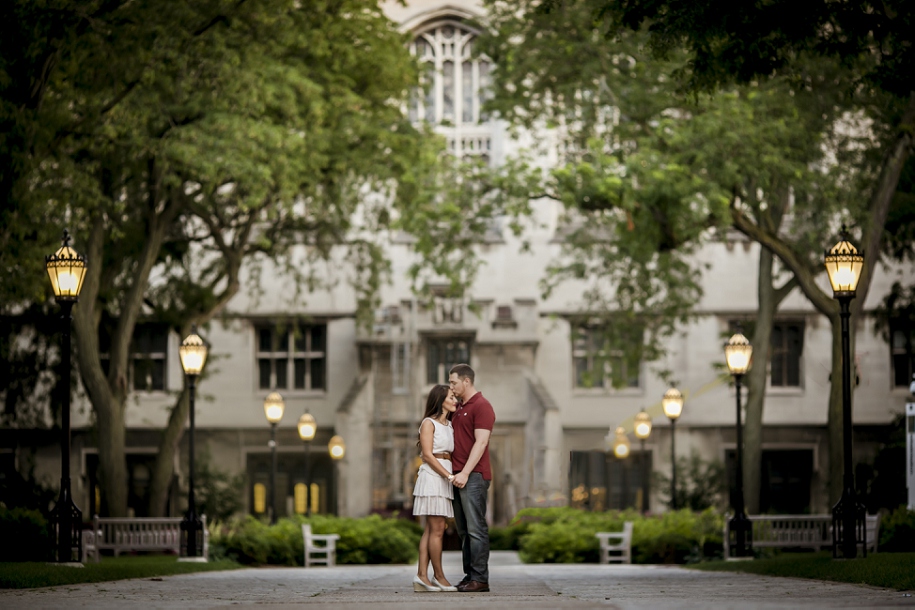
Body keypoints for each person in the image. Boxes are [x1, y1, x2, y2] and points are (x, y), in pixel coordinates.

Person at [448, 363, 495, 593]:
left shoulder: (482, 406)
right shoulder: (458, 408)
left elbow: (481, 442)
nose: (451, 386)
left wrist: (465, 472)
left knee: (476, 529)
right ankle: (469, 577)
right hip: (457, 476)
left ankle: (480, 579)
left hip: (473, 476)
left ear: (466, 381)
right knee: (464, 531)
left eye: (453, 382)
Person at [412, 384, 459, 592]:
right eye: (451, 397)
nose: (455, 400)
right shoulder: (428, 423)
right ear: (441, 400)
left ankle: (422, 576)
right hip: (433, 478)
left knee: (432, 529)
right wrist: (448, 475)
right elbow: (428, 455)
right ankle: (438, 576)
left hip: (444, 477)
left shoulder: (449, 425)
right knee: (438, 529)